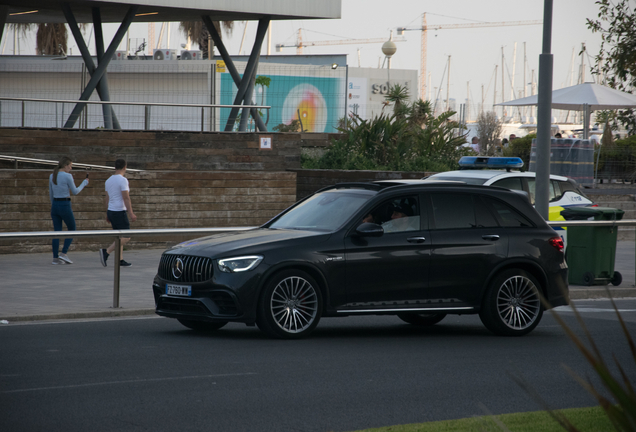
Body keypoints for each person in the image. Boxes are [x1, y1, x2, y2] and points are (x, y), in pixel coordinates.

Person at [49, 157, 89, 265]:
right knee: (72, 228)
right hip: (65, 204)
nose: (71, 168)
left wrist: (54, 206)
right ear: (65, 165)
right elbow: (75, 191)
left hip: (55, 205)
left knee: (57, 232)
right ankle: (64, 253)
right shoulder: (68, 176)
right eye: (70, 166)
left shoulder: (52, 175)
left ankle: (55, 258)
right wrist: (84, 183)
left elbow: (51, 194)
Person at [100, 159, 137, 267]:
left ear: (115, 167)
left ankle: (120, 260)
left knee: (119, 236)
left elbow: (107, 198)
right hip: (119, 211)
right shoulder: (123, 180)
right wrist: (131, 213)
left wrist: (107, 213)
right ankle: (106, 252)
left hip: (111, 211)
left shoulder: (108, 180)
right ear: (125, 167)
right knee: (126, 236)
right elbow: (126, 198)